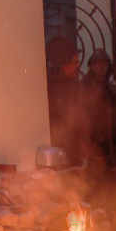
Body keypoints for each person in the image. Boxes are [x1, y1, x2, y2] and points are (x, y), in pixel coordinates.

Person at [45, 36, 83, 166]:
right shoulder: (49, 85)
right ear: (63, 63)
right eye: (74, 63)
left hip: (74, 141)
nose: (77, 66)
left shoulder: (74, 84)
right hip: (58, 140)